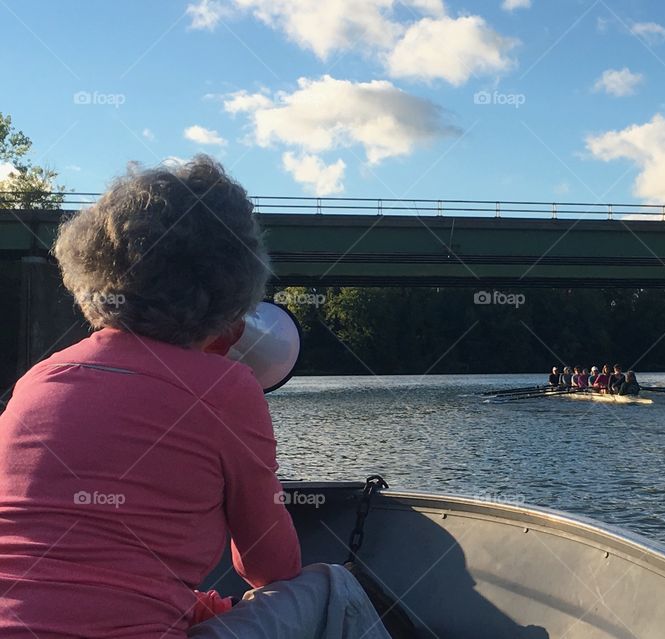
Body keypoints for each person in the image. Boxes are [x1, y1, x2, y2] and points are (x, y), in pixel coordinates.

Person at [0, 157, 390, 639]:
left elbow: (80, 567)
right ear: (232, 284)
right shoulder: (226, 389)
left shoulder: (37, 379)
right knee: (331, 587)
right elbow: (271, 567)